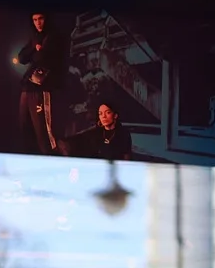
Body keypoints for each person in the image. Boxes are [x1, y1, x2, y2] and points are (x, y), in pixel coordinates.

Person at [14, 11, 65, 155]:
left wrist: (37, 52)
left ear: (46, 19)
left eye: (40, 18)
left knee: (43, 131)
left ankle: (52, 160)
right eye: (35, 19)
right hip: (28, 87)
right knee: (24, 127)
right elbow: (21, 57)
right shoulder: (34, 37)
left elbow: (42, 58)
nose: (38, 22)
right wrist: (34, 48)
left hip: (42, 88)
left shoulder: (53, 36)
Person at [67, 101, 133, 160]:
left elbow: (126, 157)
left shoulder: (123, 134)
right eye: (100, 113)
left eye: (108, 112)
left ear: (115, 115)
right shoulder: (95, 133)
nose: (103, 116)